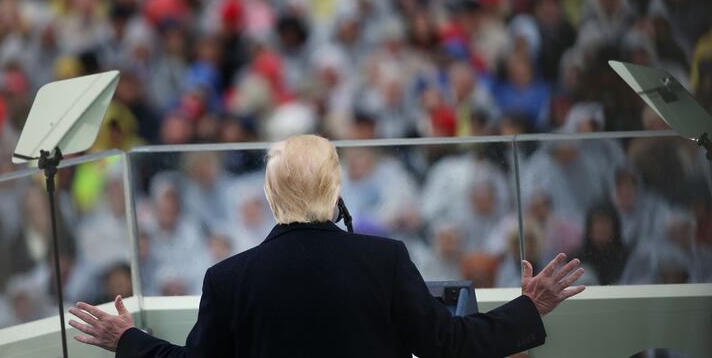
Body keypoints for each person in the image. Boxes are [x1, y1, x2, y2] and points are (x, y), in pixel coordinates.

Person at [69, 135, 584, 357]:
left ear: (270, 196)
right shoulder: (384, 260)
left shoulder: (228, 279)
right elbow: (447, 347)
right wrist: (528, 307)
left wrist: (127, 339)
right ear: (336, 193)